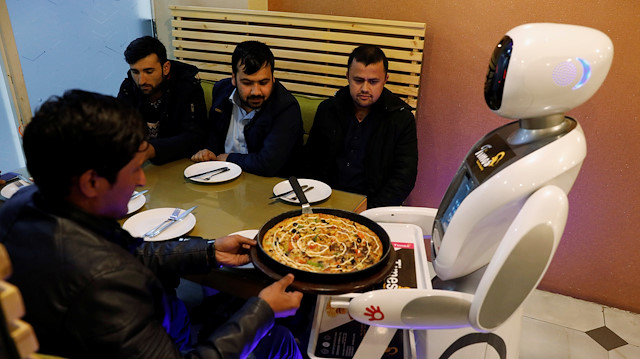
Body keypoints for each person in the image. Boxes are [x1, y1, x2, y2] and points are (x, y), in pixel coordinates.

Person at [0, 90, 303, 358]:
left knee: (185, 312)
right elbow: (109, 269)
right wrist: (262, 311)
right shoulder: (107, 286)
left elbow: (128, 252)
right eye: (133, 169)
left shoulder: (22, 204)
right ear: (92, 182)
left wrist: (210, 250)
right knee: (280, 340)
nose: (142, 180)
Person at [301, 45, 418, 208]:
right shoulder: (328, 109)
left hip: (374, 207)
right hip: (324, 200)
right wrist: (313, 199)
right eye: (358, 80)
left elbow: (404, 178)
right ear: (348, 76)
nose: (365, 88)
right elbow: (309, 161)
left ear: (385, 79)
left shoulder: (401, 119)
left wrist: (371, 210)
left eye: (373, 82)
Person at [191, 41, 303, 177]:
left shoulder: (286, 107)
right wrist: (209, 151)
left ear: (273, 78)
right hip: (222, 179)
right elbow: (215, 135)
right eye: (247, 83)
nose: (256, 91)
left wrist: (229, 159)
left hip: (268, 186)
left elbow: (268, 164)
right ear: (234, 78)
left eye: (263, 82)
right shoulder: (221, 92)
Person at [118, 36, 207, 165]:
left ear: (166, 68)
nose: (141, 80)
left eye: (149, 71)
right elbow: (117, 129)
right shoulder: (129, 87)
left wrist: (152, 149)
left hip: (180, 163)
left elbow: (194, 137)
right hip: (141, 165)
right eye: (135, 72)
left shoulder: (187, 87)